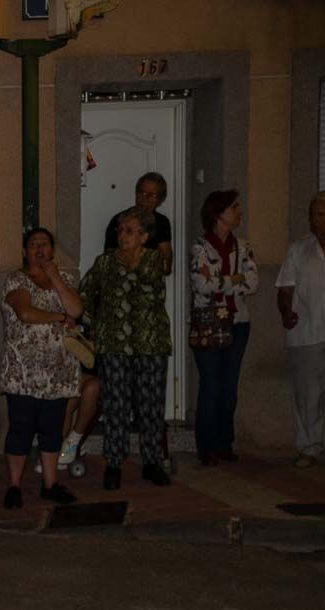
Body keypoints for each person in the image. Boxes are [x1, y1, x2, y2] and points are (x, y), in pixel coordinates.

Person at [81, 207, 173, 490]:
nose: (123, 236)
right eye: (121, 230)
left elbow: (143, 275)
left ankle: (151, 462)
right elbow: (85, 292)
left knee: (151, 405)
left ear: (144, 236)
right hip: (114, 344)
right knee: (115, 404)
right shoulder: (105, 262)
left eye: (131, 231)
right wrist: (91, 323)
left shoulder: (155, 260)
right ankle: (113, 463)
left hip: (150, 343)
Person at [1, 228, 82, 509]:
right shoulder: (16, 280)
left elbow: (76, 309)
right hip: (23, 372)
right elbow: (25, 313)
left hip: (58, 372)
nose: (39, 249)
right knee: (21, 428)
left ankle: (50, 484)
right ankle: (14, 485)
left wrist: (55, 277)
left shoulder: (67, 279)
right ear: (25, 251)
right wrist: (59, 316)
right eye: (33, 244)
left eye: (45, 244)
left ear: (52, 250)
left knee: (52, 429)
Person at [190, 190, 259, 466]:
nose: (239, 211)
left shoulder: (243, 247)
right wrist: (234, 278)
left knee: (229, 387)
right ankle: (206, 446)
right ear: (219, 213)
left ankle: (223, 443)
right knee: (211, 385)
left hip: (238, 323)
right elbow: (201, 284)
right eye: (234, 207)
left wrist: (220, 278)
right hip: (208, 324)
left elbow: (253, 283)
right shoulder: (200, 247)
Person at [275, 192, 325, 468]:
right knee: (308, 396)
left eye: (319, 214)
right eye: (312, 214)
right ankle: (308, 448)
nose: (314, 220)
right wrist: (285, 311)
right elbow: (285, 288)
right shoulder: (298, 250)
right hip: (307, 334)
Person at [104, 172, 173, 270]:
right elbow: (108, 261)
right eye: (142, 193)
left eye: (152, 195)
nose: (145, 199)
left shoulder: (161, 222)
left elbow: (166, 265)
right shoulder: (120, 220)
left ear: (160, 200)